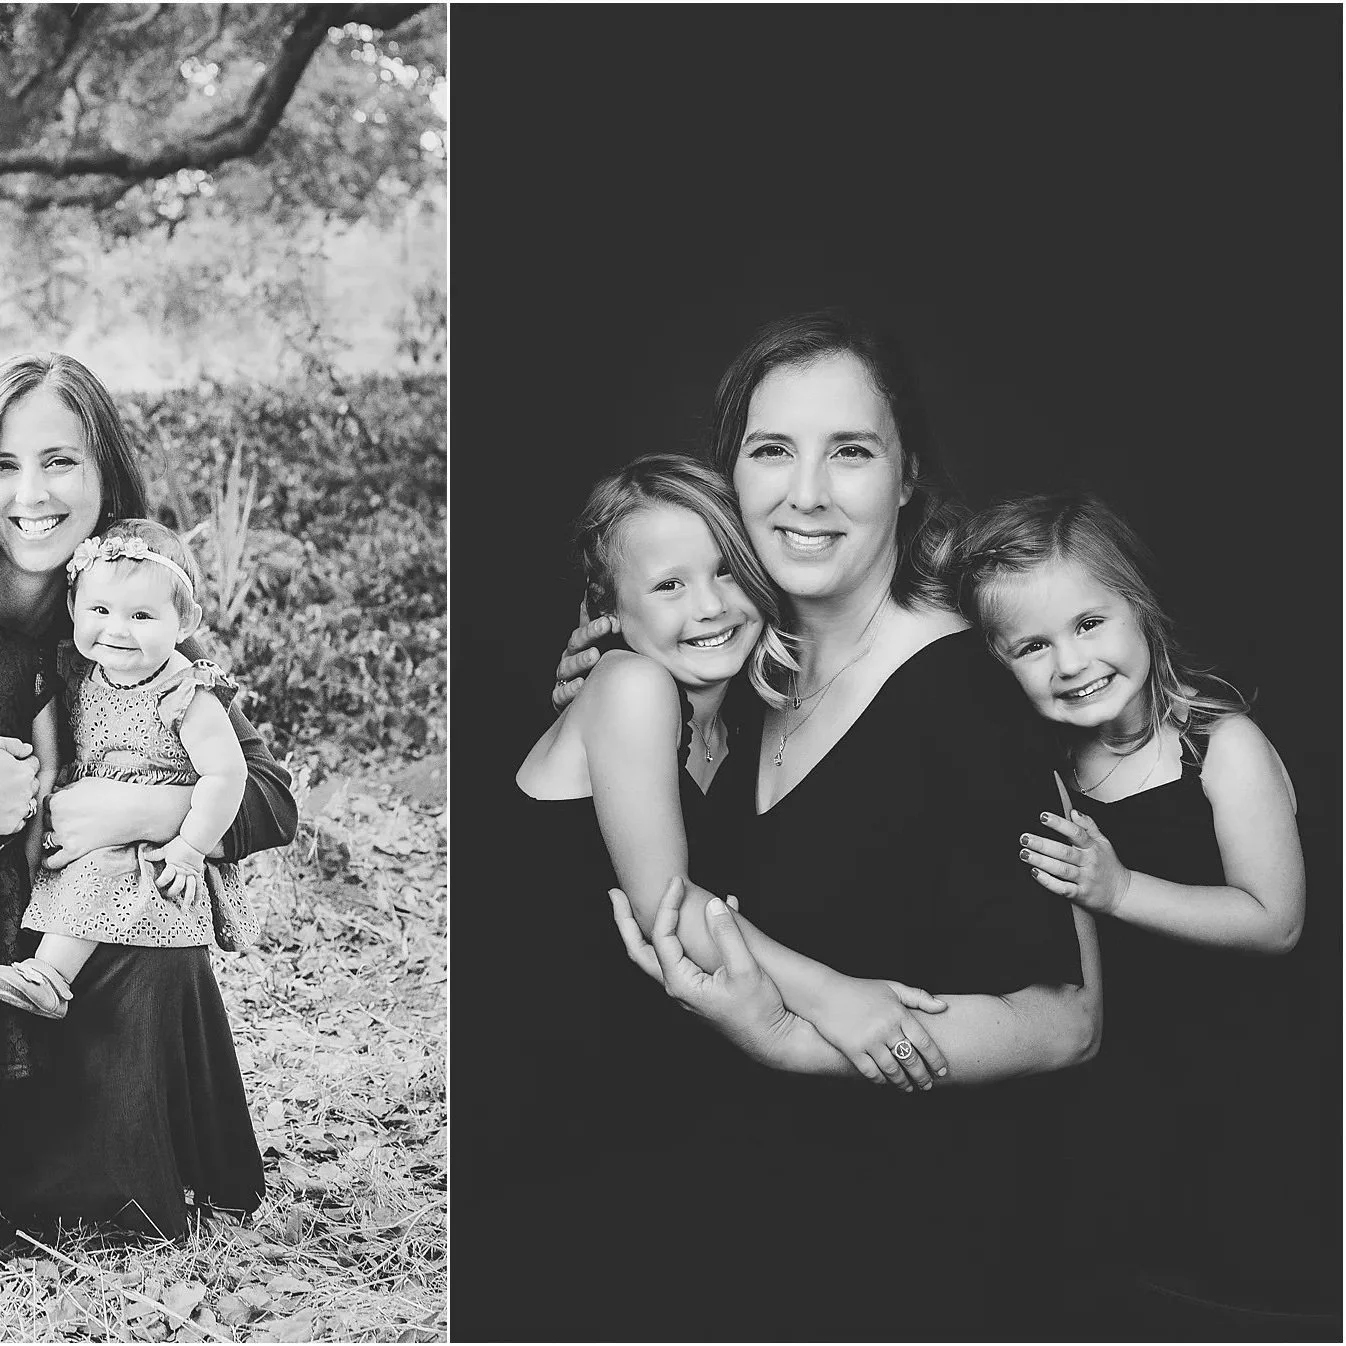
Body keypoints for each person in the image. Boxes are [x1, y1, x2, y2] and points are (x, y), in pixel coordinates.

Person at [537, 311, 1103, 1341]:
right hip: (708, 1222)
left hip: (907, 1245)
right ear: (728, 479)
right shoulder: (734, 666)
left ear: (905, 475)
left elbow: (1068, 1020)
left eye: (849, 451)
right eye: (771, 450)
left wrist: (798, 1044)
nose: (805, 493)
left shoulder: (965, 694)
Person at [942, 492, 1336, 1334]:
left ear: (1141, 610)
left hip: (1248, 1076)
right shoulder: (1045, 764)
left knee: (1249, 1276)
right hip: (1129, 1085)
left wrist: (1119, 891)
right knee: (1131, 1285)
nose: (1070, 662)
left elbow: (1277, 920)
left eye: (1090, 623)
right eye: (1032, 646)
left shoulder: (1218, 744)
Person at [0, 351, 297, 1240]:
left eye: (60, 461)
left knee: (156, 928)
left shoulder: (136, 617)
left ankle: (111, 1179)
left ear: (104, 474)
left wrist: (141, 812)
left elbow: (270, 796)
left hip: (75, 934)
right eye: (4, 464)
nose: (30, 494)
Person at [0, 519, 252, 1020]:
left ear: (185, 622)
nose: (116, 629)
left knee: (100, 870)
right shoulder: (80, 671)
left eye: (140, 615)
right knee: (79, 870)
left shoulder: (185, 691)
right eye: (100, 610)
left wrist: (190, 848)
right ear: (73, 608)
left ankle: (49, 978)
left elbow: (228, 775)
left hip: (149, 849)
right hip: (89, 828)